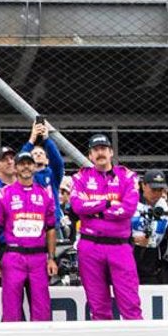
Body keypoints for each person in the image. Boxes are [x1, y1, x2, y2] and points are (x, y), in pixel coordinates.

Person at [69, 135, 142, 320]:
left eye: (103, 148)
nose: (100, 152)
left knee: (130, 304)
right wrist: (109, 204)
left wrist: (95, 210)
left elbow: (128, 209)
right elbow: (77, 206)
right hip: (90, 246)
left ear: (111, 152)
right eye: (96, 150)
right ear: (90, 155)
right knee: (98, 306)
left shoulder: (128, 176)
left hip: (120, 246)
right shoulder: (80, 177)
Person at [0, 150, 57, 322]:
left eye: (29, 163)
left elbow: (51, 228)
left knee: (42, 311)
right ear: (15, 167)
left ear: (34, 166)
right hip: (13, 256)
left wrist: (51, 258)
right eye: (22, 163)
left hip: (39, 258)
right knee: (11, 311)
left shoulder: (46, 194)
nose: (26, 167)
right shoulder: (3, 193)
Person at [132, 169, 168, 284]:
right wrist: (134, 239)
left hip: (152, 266)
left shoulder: (164, 207)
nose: (157, 194)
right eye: (153, 189)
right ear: (143, 186)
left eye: (160, 190)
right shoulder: (131, 203)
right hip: (128, 260)